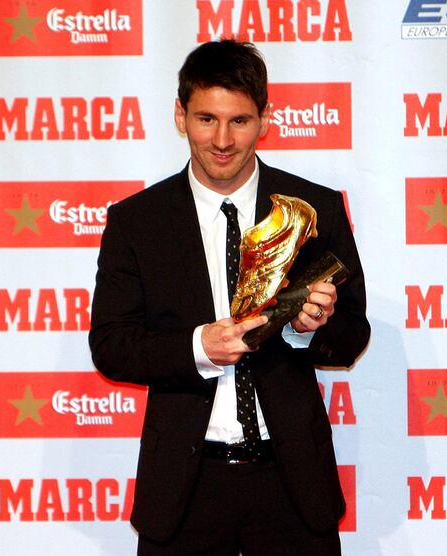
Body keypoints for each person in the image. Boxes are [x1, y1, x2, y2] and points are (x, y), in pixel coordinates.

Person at [89, 39, 369, 555]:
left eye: (239, 120)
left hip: (291, 484)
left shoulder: (314, 212)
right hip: (185, 487)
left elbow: (353, 336)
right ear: (180, 115)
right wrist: (198, 347)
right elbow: (111, 345)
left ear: (265, 118)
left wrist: (308, 330)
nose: (222, 140)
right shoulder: (137, 222)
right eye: (206, 119)